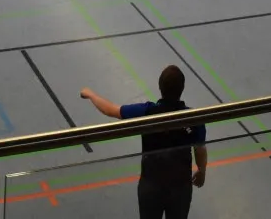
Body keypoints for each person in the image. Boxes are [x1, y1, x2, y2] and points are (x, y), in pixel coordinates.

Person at [81, 65, 208, 219]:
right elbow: (200, 149)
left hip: (151, 185)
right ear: (182, 88)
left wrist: (91, 95)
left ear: (160, 87)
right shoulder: (194, 118)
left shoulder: (147, 112)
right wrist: (201, 171)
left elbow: (111, 110)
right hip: (180, 187)